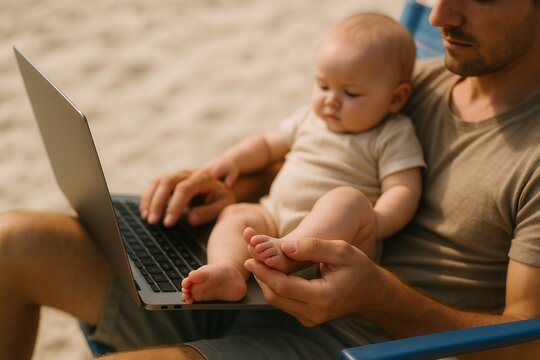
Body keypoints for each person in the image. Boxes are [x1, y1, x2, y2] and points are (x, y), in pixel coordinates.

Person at [0, 1, 539, 359]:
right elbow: (309, 154)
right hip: (253, 284)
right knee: (12, 242)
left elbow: (528, 339)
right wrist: (226, 185)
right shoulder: (409, 79)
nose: (439, 14)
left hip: (356, 342)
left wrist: (380, 299)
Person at [177, 13, 425, 304]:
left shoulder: (392, 133)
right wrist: (233, 160)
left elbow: (403, 188)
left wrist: (375, 221)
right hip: (274, 220)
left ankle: (287, 252)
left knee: (347, 199)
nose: (331, 100)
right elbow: (268, 145)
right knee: (237, 215)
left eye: (351, 93)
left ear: (395, 99)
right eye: (323, 85)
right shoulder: (309, 118)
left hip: (335, 246)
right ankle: (229, 270)